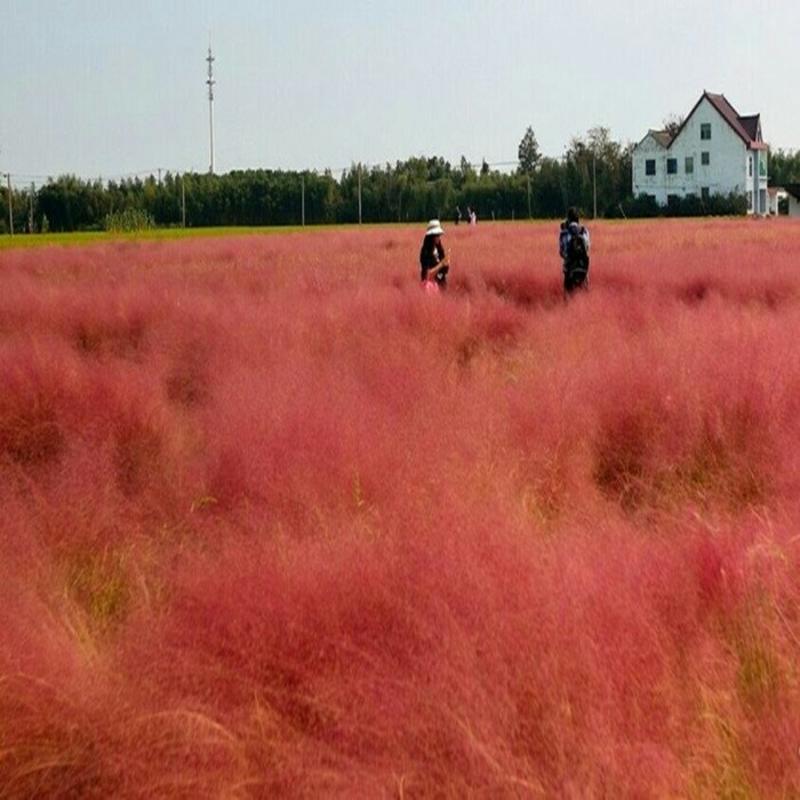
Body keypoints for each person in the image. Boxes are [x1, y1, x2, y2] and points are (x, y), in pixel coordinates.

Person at [559, 207, 590, 295]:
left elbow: (561, 252)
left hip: (570, 269)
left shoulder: (564, 233)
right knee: (585, 291)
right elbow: (587, 248)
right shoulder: (584, 231)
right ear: (578, 219)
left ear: (568, 219)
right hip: (583, 268)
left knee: (568, 296)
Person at [419, 219, 449, 291]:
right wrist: (441, 264)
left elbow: (444, 271)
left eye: (439, 235)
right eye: (437, 235)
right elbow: (427, 274)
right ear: (431, 236)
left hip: (441, 284)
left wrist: (446, 264)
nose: (439, 237)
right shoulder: (425, 252)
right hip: (431, 288)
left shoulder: (439, 249)